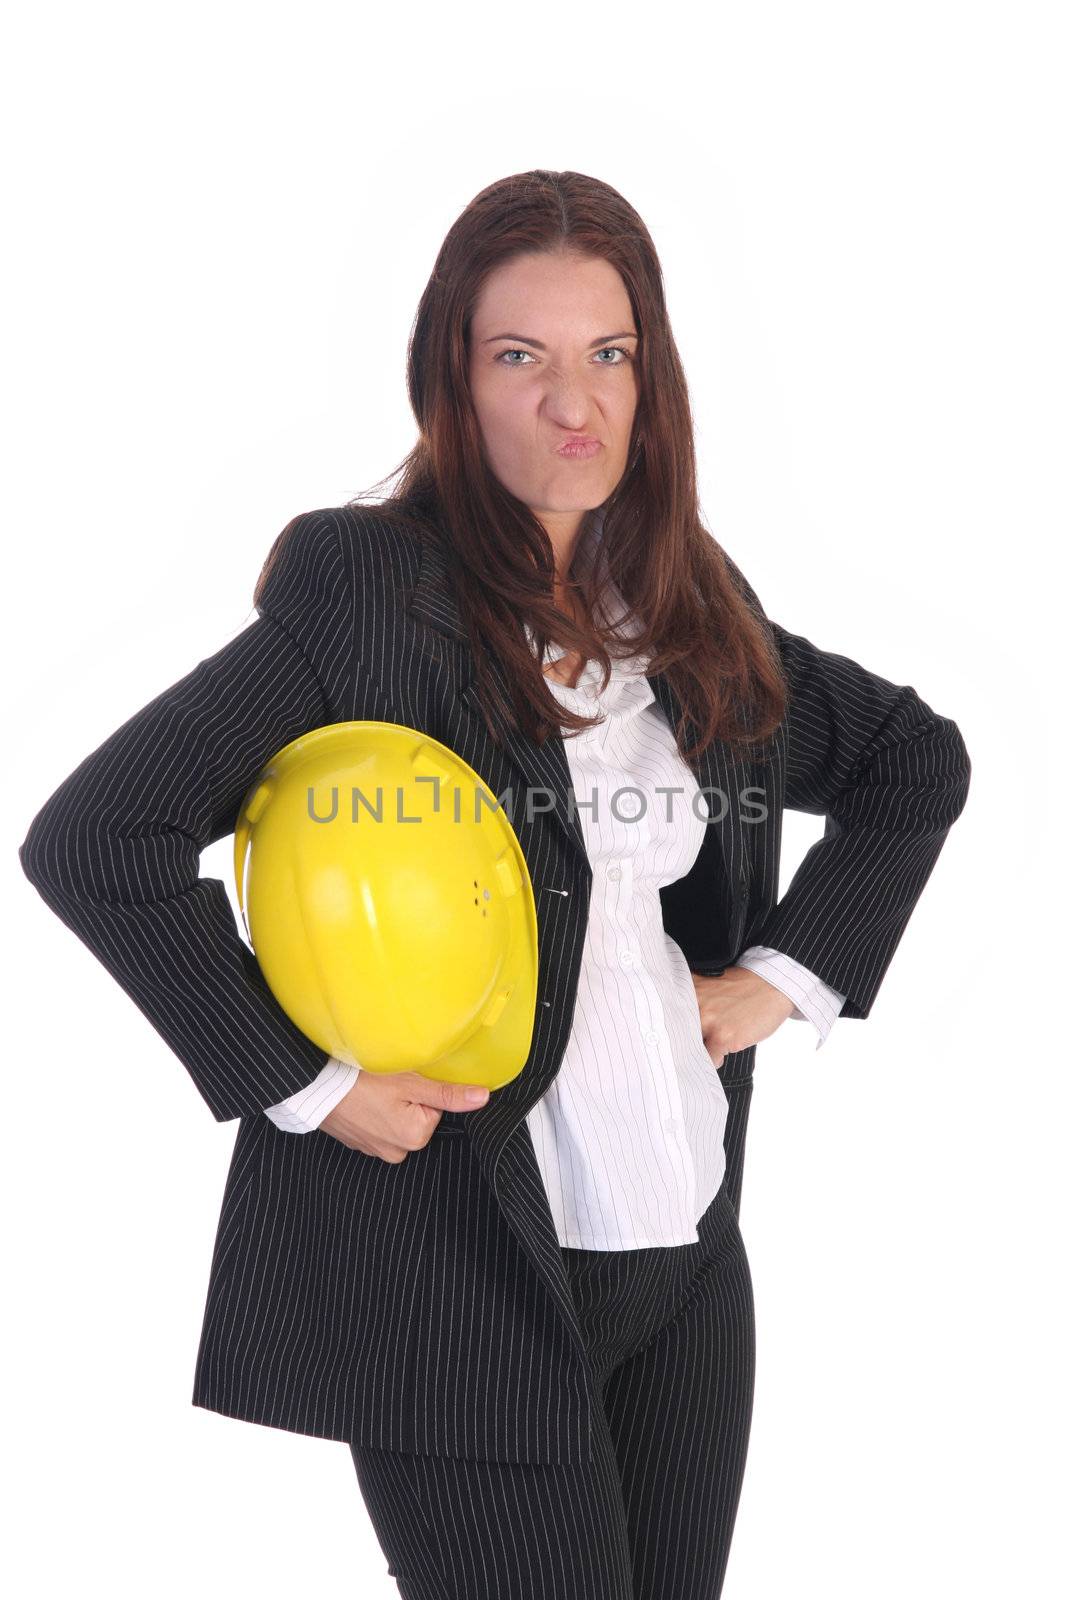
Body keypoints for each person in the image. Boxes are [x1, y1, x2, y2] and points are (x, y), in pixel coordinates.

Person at [17, 170, 971, 1600]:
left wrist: (775, 983)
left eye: (610, 355)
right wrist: (309, 1084)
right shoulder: (371, 597)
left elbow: (915, 762)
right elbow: (97, 839)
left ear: (654, 380)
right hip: (465, 1270)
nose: (572, 405)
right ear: (451, 384)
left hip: (690, 1256)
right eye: (519, 357)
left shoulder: (689, 606)